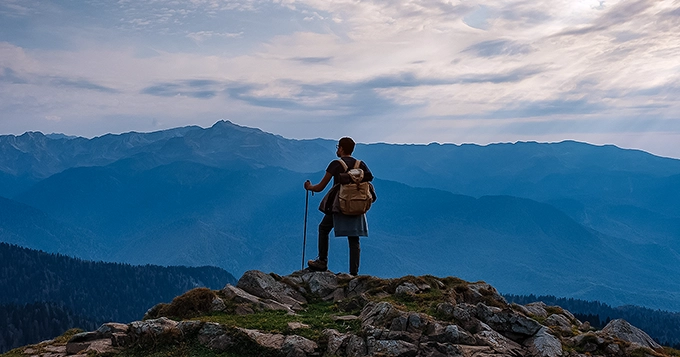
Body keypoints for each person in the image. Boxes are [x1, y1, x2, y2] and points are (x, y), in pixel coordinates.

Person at [304, 137, 374, 276]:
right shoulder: (361, 164)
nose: (337, 149)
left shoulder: (336, 164)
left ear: (341, 148)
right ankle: (354, 273)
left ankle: (322, 261)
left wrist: (309, 187)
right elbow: (369, 179)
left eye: (338, 147)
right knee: (354, 238)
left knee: (323, 228)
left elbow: (321, 187)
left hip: (340, 206)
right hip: (357, 205)